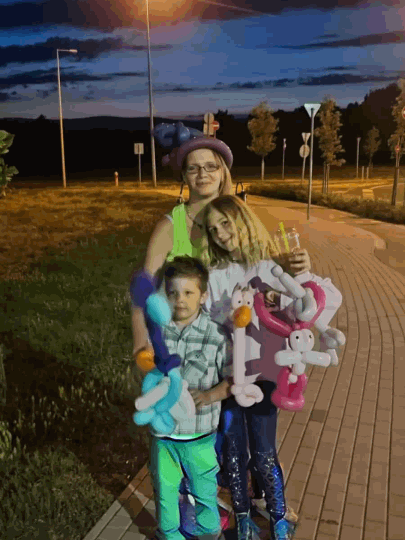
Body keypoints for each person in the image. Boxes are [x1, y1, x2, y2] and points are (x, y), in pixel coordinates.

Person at [201, 195, 343, 540]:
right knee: (233, 449)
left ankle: (279, 516)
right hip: (231, 377)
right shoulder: (214, 276)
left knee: (264, 449)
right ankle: (243, 515)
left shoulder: (270, 267)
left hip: (266, 376)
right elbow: (207, 322)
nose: (221, 233)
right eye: (213, 229)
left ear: (243, 220)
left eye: (226, 223)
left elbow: (318, 301)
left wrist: (300, 276)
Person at [150, 256, 232, 540]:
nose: (180, 300)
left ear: (203, 295)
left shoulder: (217, 335)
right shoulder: (159, 332)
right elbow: (148, 373)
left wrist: (209, 395)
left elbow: (233, 380)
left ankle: (209, 532)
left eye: (188, 292)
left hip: (199, 435)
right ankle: (169, 533)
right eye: (173, 293)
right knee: (165, 489)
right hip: (163, 435)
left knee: (204, 489)